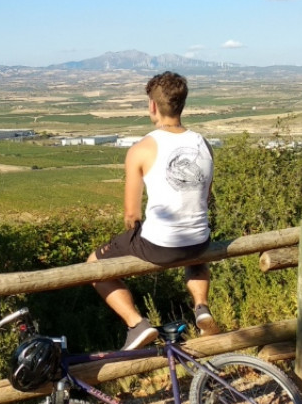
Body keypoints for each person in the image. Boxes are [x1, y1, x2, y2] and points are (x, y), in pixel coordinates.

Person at [87, 71, 219, 350]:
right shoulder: (204, 144)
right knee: (194, 249)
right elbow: (204, 198)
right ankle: (201, 306)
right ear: (182, 104)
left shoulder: (141, 148)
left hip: (158, 245)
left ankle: (137, 324)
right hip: (199, 240)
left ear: (152, 105)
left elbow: (131, 215)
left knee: (93, 265)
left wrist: (133, 239)